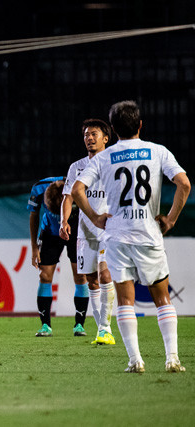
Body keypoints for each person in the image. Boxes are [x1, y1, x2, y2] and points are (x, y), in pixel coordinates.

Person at [72, 100, 191, 373]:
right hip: (149, 234)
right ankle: (172, 358)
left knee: (125, 299)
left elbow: (78, 190)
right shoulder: (157, 151)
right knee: (162, 298)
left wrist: (94, 217)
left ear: (112, 129)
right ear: (139, 125)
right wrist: (170, 219)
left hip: (117, 236)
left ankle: (135, 360)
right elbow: (183, 183)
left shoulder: (103, 157)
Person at [61, 119, 116, 345]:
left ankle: (105, 327)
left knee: (105, 275)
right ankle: (101, 330)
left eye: (94, 134)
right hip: (85, 230)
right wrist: (64, 220)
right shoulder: (77, 166)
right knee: (91, 280)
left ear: (106, 138)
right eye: (86, 135)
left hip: (110, 228)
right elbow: (69, 196)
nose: (89, 138)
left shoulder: (115, 163)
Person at [28, 177, 89, 337]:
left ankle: (79, 325)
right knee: (45, 275)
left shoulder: (78, 188)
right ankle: (45, 326)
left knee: (81, 276)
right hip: (49, 234)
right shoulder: (39, 188)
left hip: (76, 233)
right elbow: (33, 215)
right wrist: (34, 247)